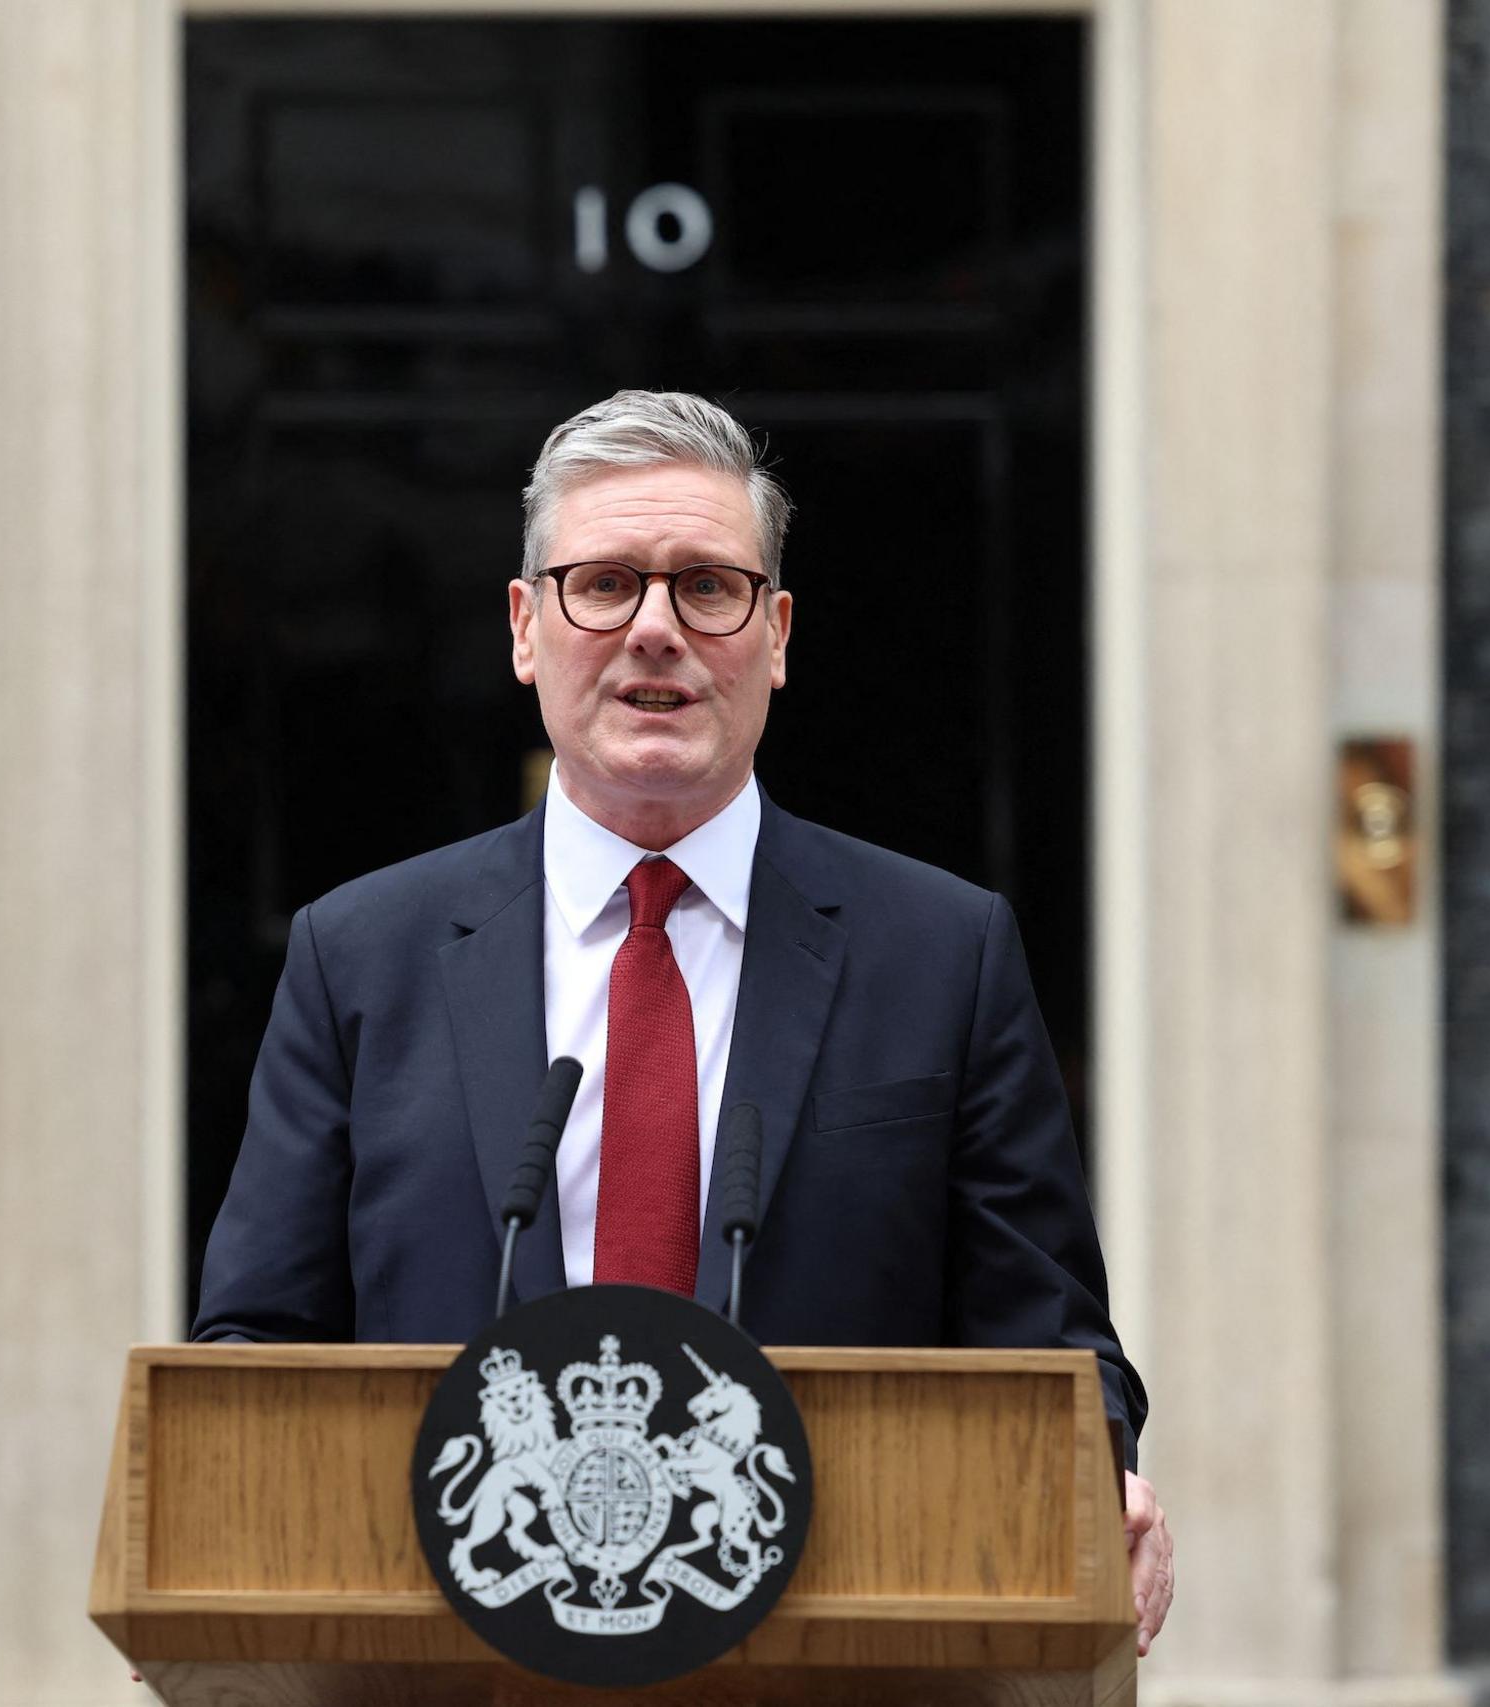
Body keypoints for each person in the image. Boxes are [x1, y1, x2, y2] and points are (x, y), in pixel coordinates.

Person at [194, 390, 1174, 1652]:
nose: (654, 629)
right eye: (602, 584)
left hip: (842, 1662)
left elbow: (1052, 1352)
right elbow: (255, 1353)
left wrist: (1101, 1475)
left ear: (773, 637)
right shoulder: (360, 955)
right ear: (524, 630)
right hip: (444, 1668)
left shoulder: (941, 954)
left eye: (706, 587)